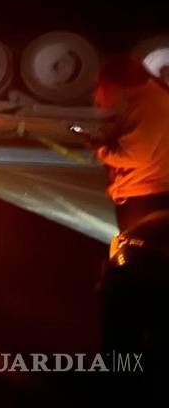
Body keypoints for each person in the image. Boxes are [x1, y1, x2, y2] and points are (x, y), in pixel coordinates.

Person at [91, 56, 169, 359]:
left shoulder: (148, 105)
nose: (99, 95)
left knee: (126, 272)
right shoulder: (152, 99)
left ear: (116, 84)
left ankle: (122, 359)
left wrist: (102, 149)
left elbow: (133, 154)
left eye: (102, 87)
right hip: (151, 196)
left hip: (146, 198)